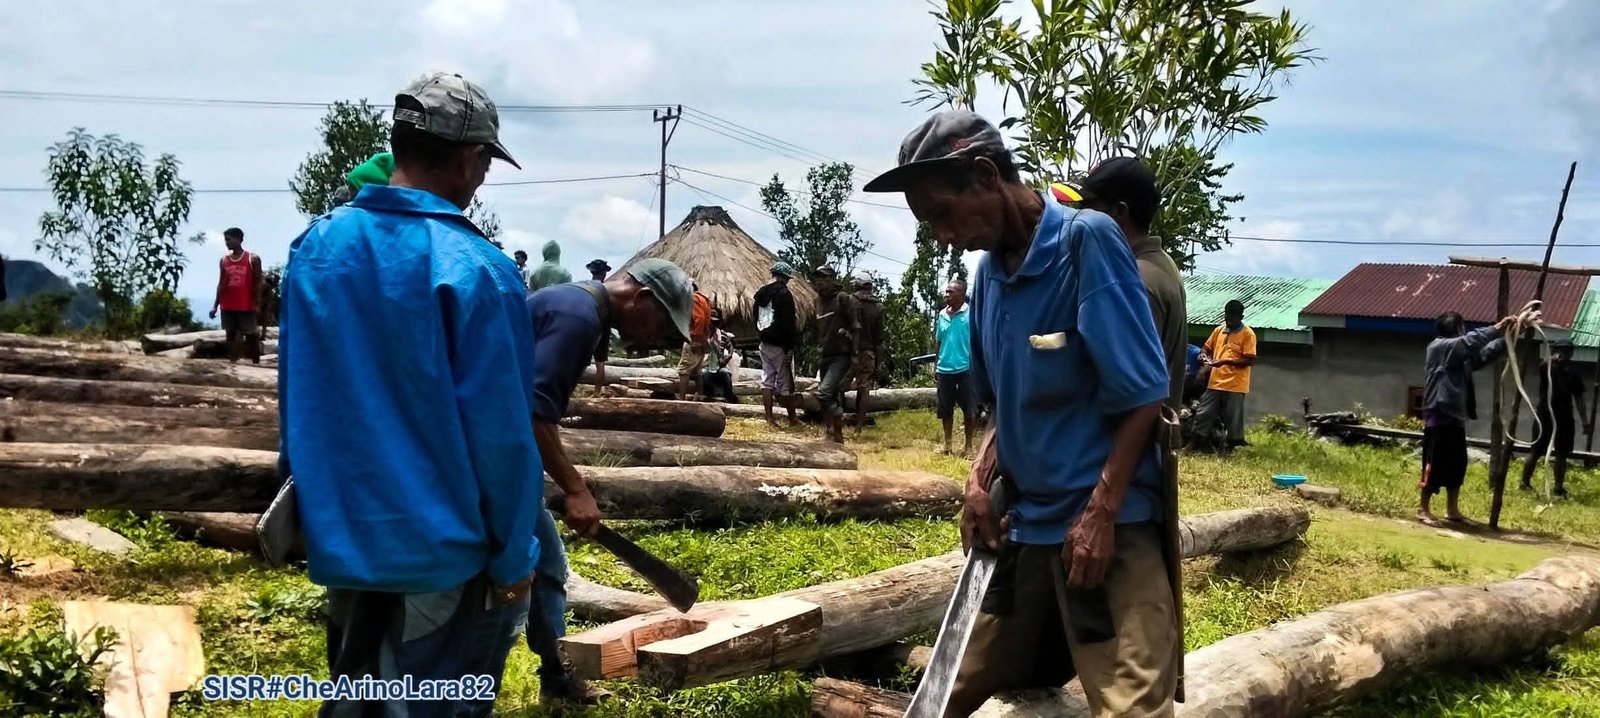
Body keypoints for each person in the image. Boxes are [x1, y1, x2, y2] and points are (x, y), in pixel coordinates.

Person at [864, 109, 1176, 717]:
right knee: (946, 694)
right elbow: (1001, 406)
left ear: (985, 176)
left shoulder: (1086, 241)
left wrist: (1102, 513)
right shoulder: (987, 276)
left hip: (1102, 529)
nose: (941, 238)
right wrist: (979, 480)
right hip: (1025, 528)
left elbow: (1146, 396)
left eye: (942, 216)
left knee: (1134, 705)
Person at [279, 72, 536, 716]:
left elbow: (297, 400)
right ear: (469, 158)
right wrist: (512, 559)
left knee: (356, 693)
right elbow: (502, 440)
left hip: (345, 537)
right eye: (483, 166)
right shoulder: (478, 269)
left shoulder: (315, 248)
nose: (480, 182)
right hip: (441, 554)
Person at [522, 257, 695, 705]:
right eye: (661, 322)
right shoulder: (577, 317)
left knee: (543, 566)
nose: (657, 336)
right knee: (526, 573)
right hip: (479, 461)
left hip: (492, 456)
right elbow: (534, 410)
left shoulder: (578, 309)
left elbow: (540, 410)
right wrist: (575, 488)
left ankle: (557, 681)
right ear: (640, 297)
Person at [1063, 157, 1187, 410]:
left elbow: (1129, 389)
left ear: (1119, 212)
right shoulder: (1160, 264)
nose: (1079, 214)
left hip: (1125, 446)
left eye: (1088, 205)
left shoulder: (1132, 281)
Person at [1420, 310, 1521, 525]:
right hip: (1439, 414)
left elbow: (1481, 356)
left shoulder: (1457, 352)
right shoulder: (1440, 346)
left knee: (1457, 464)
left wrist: (1507, 338)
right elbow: (1469, 342)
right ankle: (1423, 508)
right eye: (1462, 327)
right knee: (1433, 463)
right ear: (1456, 328)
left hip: (1455, 415)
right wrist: (1498, 327)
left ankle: (1452, 509)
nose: (1464, 331)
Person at [1520, 337, 1589, 497]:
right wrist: (1553, 358)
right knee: (1536, 450)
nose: (1564, 355)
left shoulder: (1573, 374)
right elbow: (1542, 365)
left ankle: (1558, 487)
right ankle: (1524, 482)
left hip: (1564, 418)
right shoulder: (1548, 368)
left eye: (1567, 352)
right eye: (1561, 351)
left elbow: (1579, 399)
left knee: (1562, 453)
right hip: (1545, 415)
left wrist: (1584, 421)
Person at [1190, 300, 1256, 451]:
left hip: (1235, 384)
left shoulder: (1248, 334)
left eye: (1233, 317)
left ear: (1241, 316)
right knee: (1203, 412)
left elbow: (1249, 359)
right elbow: (1206, 348)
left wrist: (1225, 361)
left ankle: (1231, 447)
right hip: (1215, 381)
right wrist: (1203, 356)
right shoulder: (1219, 331)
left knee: (1232, 418)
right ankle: (1194, 444)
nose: (1229, 320)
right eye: (1227, 316)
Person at [812, 265, 859, 444]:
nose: (820, 282)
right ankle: (833, 434)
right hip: (825, 354)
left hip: (841, 355)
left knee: (824, 393)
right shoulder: (816, 302)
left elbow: (855, 327)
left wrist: (854, 354)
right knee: (831, 395)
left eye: (824, 278)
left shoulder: (842, 298)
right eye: (817, 279)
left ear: (832, 279)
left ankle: (838, 416)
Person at [754, 262, 800, 427]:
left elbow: (755, 318)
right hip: (780, 344)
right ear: (782, 277)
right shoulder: (784, 294)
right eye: (786, 278)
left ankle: (769, 417)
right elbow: (787, 323)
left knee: (767, 380)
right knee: (785, 382)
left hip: (764, 342)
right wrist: (789, 347)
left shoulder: (760, 294)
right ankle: (792, 418)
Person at [208, 227, 264, 364]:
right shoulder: (224, 260)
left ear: (238, 239)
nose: (227, 243)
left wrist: (257, 304)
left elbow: (258, 283)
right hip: (228, 304)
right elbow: (221, 283)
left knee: (251, 335)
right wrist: (215, 306)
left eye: (229, 239)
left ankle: (256, 362)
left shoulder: (252, 259)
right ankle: (233, 363)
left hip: (246, 304)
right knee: (230, 334)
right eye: (225, 240)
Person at [935, 280, 976, 456]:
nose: (947, 295)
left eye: (951, 292)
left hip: (966, 368)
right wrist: (936, 364)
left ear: (962, 294)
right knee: (945, 409)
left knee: (969, 409)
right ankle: (948, 444)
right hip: (945, 369)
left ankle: (968, 447)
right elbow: (939, 341)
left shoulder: (971, 314)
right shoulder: (942, 315)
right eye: (946, 292)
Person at [852, 276, 885, 435]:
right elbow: (879, 339)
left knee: (838, 386)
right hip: (868, 352)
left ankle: (834, 422)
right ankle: (859, 426)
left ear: (857, 285)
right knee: (864, 389)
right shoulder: (878, 307)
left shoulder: (849, 301)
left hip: (848, 351)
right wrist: (878, 362)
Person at [677, 282, 714, 401]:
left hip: (694, 338)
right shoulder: (704, 299)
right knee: (697, 371)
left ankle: (681, 399)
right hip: (702, 337)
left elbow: (699, 319)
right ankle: (700, 396)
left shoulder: (693, 299)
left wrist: (694, 338)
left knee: (684, 370)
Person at [584, 260, 614, 394]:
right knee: (600, 363)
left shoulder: (585, 287)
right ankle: (597, 392)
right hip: (602, 326)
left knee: (580, 360)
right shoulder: (606, 290)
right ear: (603, 274)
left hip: (587, 325)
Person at [701, 310, 741, 403]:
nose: (712, 324)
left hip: (719, 365)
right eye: (710, 321)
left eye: (714, 322)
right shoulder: (702, 334)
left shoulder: (722, 334)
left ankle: (729, 397)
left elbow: (730, 347)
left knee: (726, 374)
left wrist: (728, 356)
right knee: (705, 375)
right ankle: (714, 396)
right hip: (705, 365)